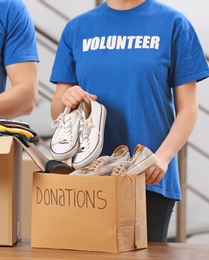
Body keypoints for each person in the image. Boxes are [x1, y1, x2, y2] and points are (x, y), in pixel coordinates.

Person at [50, 0, 209, 242]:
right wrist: (67, 99)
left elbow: (188, 109)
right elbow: (56, 108)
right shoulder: (77, 28)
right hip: (88, 174)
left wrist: (163, 158)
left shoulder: (174, 24)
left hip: (147, 174)